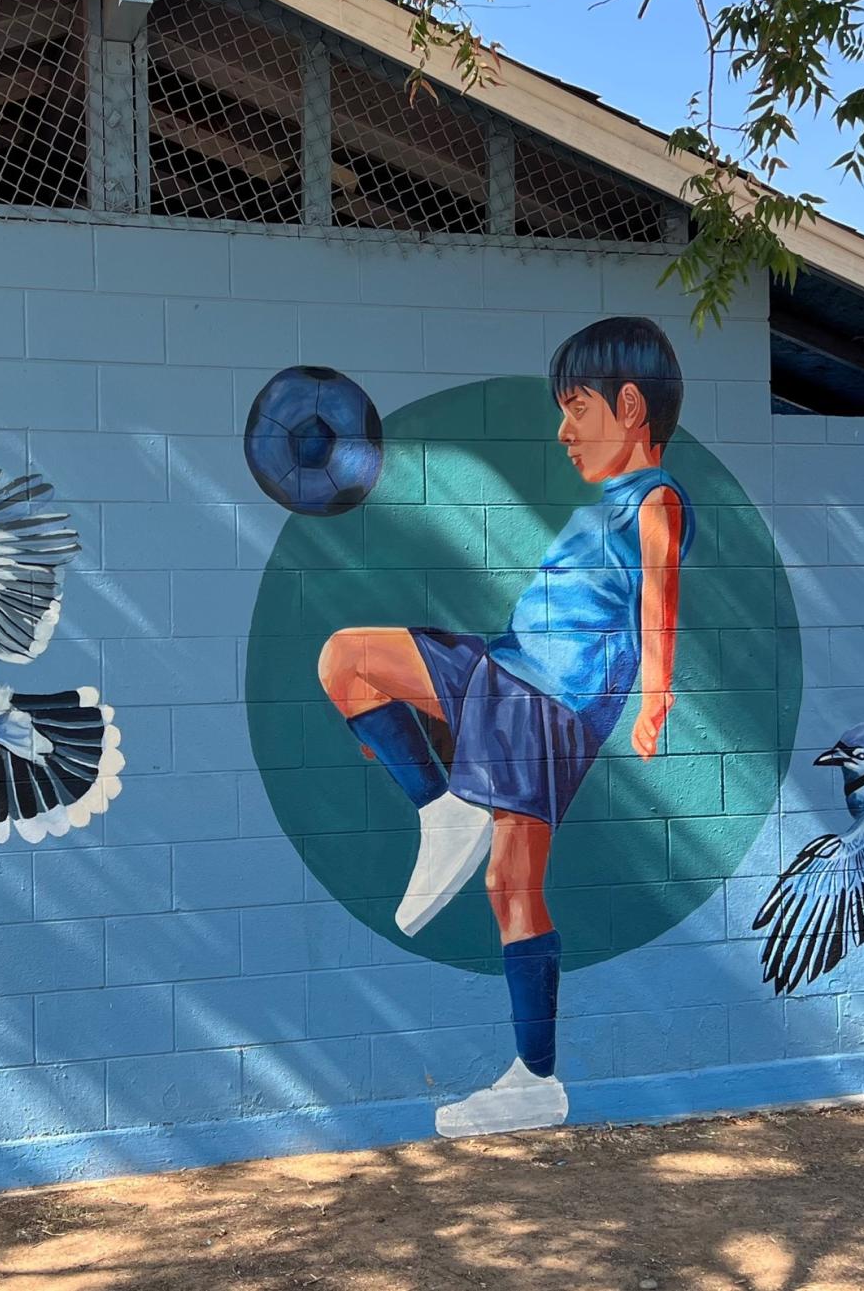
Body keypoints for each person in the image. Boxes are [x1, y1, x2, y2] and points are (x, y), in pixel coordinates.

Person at [317, 315, 690, 1136]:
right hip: (506, 668)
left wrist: (656, 698)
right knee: (347, 659)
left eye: (577, 408)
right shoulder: (611, 500)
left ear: (629, 406)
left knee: (511, 886)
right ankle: (442, 807)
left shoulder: (654, 499)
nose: (562, 431)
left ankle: (534, 1079)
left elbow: (659, 597)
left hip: (549, 707)